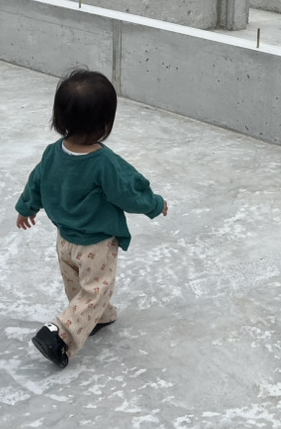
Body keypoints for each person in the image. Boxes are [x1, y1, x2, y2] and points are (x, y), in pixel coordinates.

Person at [14, 68, 168, 369]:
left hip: (65, 241)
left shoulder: (52, 153)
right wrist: (155, 204)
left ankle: (100, 317)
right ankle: (60, 334)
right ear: (105, 124)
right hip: (96, 243)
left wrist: (26, 207)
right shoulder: (104, 162)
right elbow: (129, 191)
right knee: (96, 288)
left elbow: (36, 183)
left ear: (60, 118)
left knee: (77, 286)